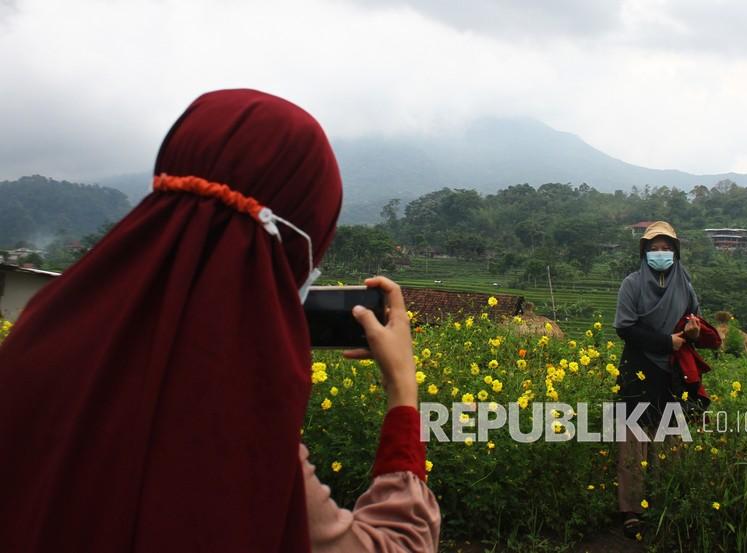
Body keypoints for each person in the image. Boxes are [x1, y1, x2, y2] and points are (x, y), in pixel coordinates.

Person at [0, 89, 440, 552]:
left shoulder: (32, 342)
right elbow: (396, 544)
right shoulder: (240, 431)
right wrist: (403, 392)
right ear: (296, 247)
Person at [613, 221, 700, 539]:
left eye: (666, 249)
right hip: (639, 368)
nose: (660, 254)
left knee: (671, 441)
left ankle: (666, 502)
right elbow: (625, 328)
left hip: (673, 372)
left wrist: (691, 332)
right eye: (654, 249)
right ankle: (631, 511)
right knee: (633, 442)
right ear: (645, 252)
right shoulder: (632, 285)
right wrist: (666, 342)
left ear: (675, 253)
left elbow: (694, 320)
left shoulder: (685, 285)